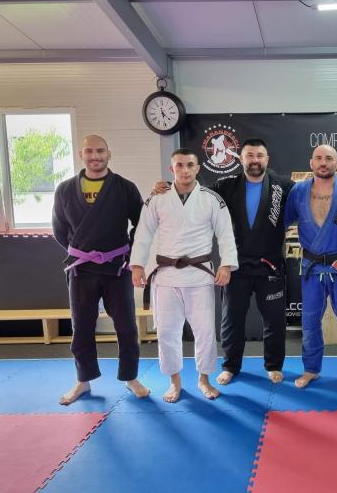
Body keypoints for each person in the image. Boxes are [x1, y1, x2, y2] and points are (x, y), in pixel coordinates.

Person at [130, 149, 238, 403]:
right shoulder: (157, 199)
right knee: (167, 332)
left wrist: (226, 265)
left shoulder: (211, 199)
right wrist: (137, 265)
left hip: (199, 276)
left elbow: (225, 233)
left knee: (205, 331)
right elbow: (143, 233)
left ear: (198, 168)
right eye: (179, 165)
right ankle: (174, 382)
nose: (185, 170)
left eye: (190, 165)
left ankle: (204, 379)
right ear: (172, 169)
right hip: (166, 276)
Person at [52, 134, 150, 405]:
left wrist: (128, 252)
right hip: (82, 269)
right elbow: (59, 230)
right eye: (89, 151)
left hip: (117, 267)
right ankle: (83, 381)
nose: (95, 156)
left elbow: (142, 225)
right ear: (81, 155)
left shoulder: (125, 188)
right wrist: (81, 251)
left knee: (126, 326)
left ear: (109, 154)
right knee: (81, 326)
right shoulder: (65, 190)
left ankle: (131, 377)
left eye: (100, 151)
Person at [284, 145, 337, 392]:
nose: (324, 162)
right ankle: (311, 369)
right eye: (319, 158)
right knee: (310, 321)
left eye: (329, 158)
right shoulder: (298, 191)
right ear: (311, 163)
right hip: (311, 267)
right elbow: (282, 222)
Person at [212, 139, 294, 385]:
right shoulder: (226, 186)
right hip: (236, 265)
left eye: (259, 155)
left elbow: (313, 195)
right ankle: (230, 365)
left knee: (274, 321)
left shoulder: (283, 186)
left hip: (270, 265)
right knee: (232, 319)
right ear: (241, 159)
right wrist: (168, 188)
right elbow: (196, 196)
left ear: (267, 159)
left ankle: (273, 365)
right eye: (250, 155)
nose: (255, 160)